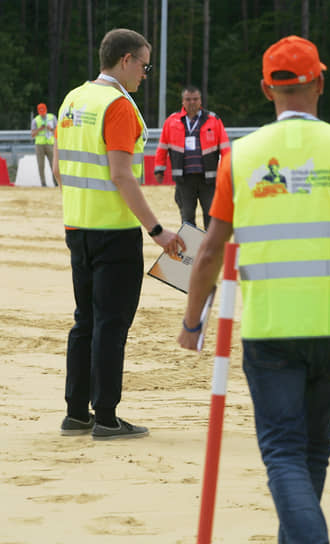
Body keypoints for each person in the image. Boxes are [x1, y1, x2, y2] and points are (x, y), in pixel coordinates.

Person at [177, 35, 330, 543]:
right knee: (312, 452)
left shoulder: (239, 156)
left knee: (285, 453)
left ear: (267, 89)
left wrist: (192, 322)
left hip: (271, 334)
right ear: (321, 83)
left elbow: (209, 251)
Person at [54, 28, 185, 440]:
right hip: (115, 232)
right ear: (125, 60)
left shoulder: (72, 100)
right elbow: (121, 175)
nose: (145, 74)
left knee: (85, 322)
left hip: (77, 227)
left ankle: (77, 413)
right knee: (112, 325)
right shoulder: (118, 106)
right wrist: (159, 231)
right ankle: (107, 417)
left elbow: (60, 172)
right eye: (144, 65)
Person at [154, 84, 230, 230]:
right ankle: (192, 252)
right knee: (187, 217)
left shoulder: (213, 120)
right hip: (184, 180)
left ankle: (211, 251)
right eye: (188, 99)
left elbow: (225, 148)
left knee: (212, 215)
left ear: (200, 101)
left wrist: (228, 171)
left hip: (208, 179)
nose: (192, 102)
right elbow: (162, 147)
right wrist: (159, 169)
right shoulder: (171, 121)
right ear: (183, 101)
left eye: (195, 99)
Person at [30, 103, 57, 187]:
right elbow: (32, 134)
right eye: (41, 112)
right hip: (39, 145)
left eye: (43, 111)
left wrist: (50, 129)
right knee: (41, 165)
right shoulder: (35, 120)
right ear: (38, 112)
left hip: (50, 144)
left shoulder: (52, 118)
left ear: (46, 110)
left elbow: (57, 131)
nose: (42, 113)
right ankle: (43, 183)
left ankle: (56, 182)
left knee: (53, 164)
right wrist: (39, 129)